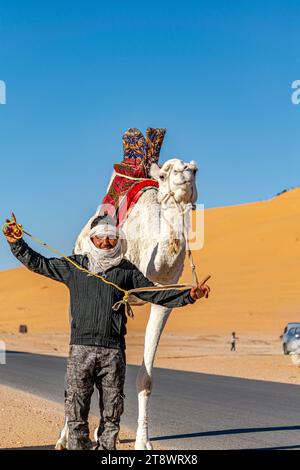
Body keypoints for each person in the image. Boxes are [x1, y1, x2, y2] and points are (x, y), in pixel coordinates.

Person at [4, 212, 211, 450]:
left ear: (118, 239)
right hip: (80, 351)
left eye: (111, 237)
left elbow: (155, 294)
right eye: (100, 237)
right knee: (76, 410)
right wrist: (16, 242)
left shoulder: (125, 271)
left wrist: (190, 296)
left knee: (112, 413)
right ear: (91, 239)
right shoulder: (75, 266)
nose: (105, 242)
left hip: (113, 353)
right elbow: (39, 263)